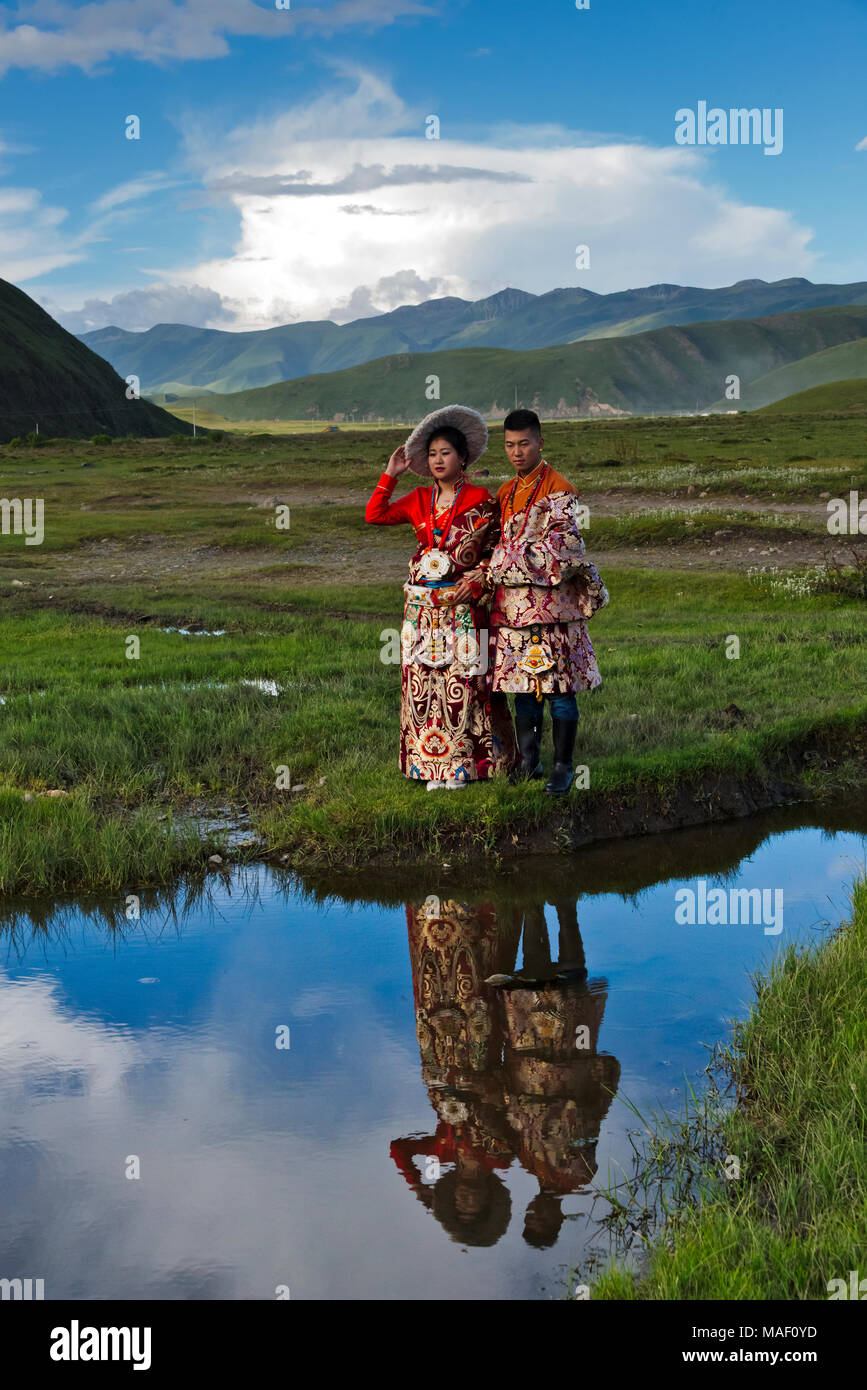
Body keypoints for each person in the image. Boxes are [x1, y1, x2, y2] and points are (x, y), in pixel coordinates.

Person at [364, 404, 516, 787]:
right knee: (424, 686)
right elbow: (374, 515)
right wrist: (390, 474)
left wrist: (478, 581)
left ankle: (467, 767)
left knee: (465, 684)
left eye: (445, 453)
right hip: (420, 611)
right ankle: (430, 767)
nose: (437, 460)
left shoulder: (483, 500)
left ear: (462, 457)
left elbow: (496, 551)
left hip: (464, 607)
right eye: (431, 454)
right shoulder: (418, 500)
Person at [478, 409, 608, 795]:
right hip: (513, 612)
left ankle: (564, 767)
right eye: (509, 445)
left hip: (553, 611)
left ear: (540, 442)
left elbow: (563, 551)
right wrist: (507, 559)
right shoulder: (504, 492)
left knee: (559, 689)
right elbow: (494, 547)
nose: (516, 453)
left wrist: (504, 561)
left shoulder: (560, 489)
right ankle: (529, 763)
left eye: (524, 444)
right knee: (522, 687)